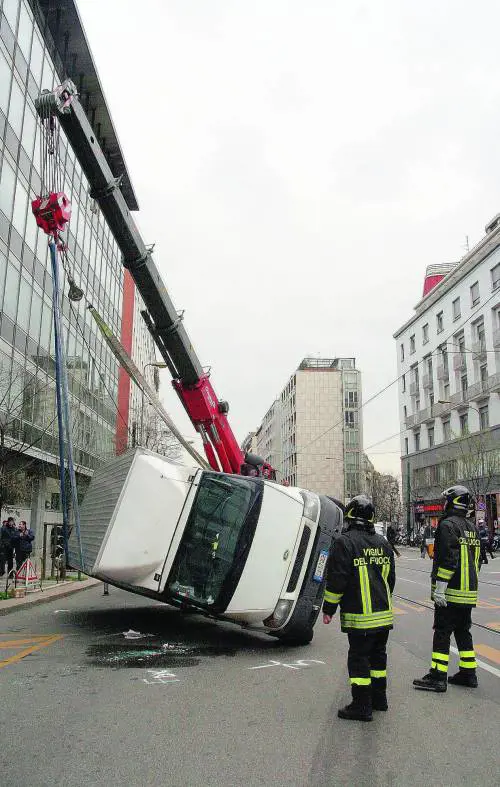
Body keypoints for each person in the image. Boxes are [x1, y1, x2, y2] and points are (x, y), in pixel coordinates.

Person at [323, 495, 396, 722]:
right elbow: (390, 580)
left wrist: (329, 608)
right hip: (383, 615)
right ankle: (379, 699)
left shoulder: (344, 542)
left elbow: (337, 579)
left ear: (350, 516)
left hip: (360, 617)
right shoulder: (383, 543)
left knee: (359, 659)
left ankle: (361, 705)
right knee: (378, 658)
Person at [413, 485, 480, 693]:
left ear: (452, 502)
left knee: (442, 632)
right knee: (463, 631)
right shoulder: (472, 527)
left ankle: (438, 676)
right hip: (468, 591)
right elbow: (476, 562)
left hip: (451, 591)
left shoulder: (447, 525)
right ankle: (469, 674)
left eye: (447, 500)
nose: (444, 504)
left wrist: (440, 588)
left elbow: (448, 559)